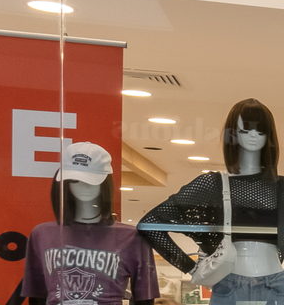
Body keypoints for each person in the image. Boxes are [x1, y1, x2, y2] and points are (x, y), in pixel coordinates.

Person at [138, 98, 284, 304]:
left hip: (277, 286)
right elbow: (150, 224)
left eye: (260, 131)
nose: (253, 136)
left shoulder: (280, 187)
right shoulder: (213, 184)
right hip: (229, 285)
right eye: (245, 130)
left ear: (269, 136)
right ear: (233, 135)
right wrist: (191, 267)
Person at [21, 141, 160, 305]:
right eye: (75, 181)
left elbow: (145, 299)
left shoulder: (132, 238)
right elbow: (36, 296)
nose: (83, 187)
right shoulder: (42, 235)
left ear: (105, 183)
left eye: (91, 181)